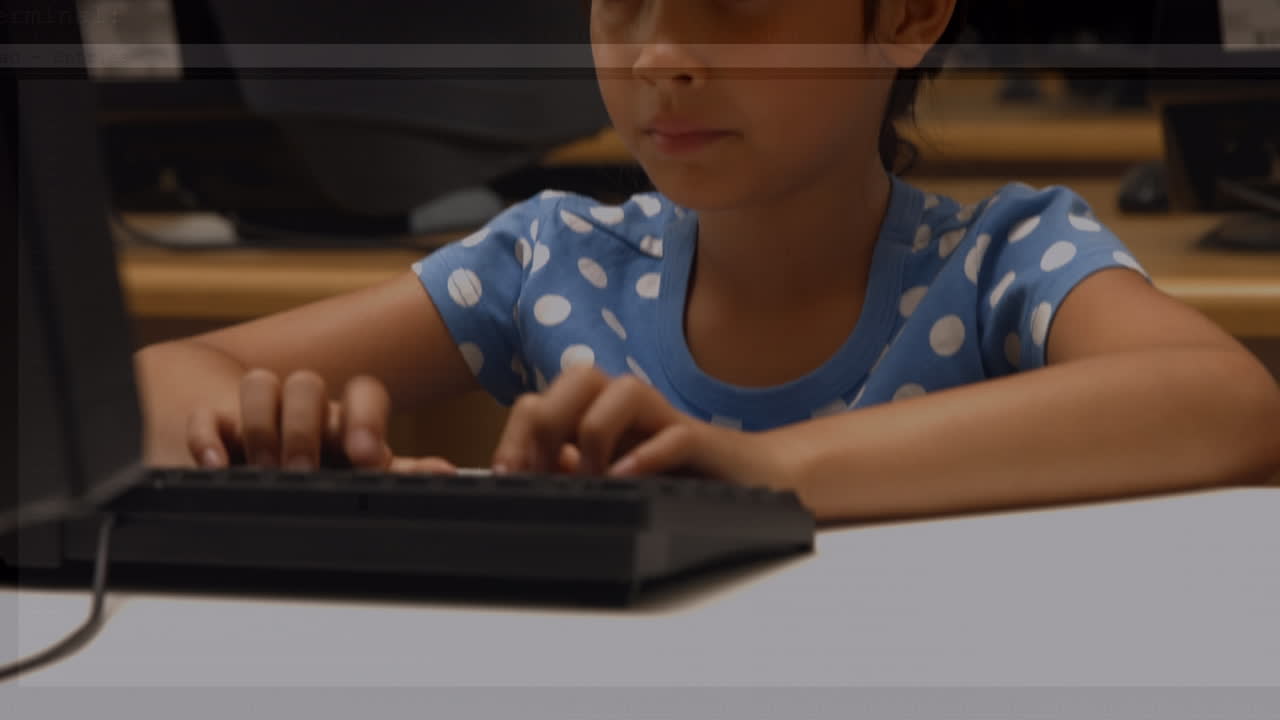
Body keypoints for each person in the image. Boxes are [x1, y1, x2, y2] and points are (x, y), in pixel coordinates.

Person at [136, 0, 1280, 523]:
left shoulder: (999, 260)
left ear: (909, 17)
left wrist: (758, 470)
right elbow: (156, 379)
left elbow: (1226, 405)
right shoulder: (551, 256)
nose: (661, 54)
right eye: (622, 0)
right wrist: (269, 454)